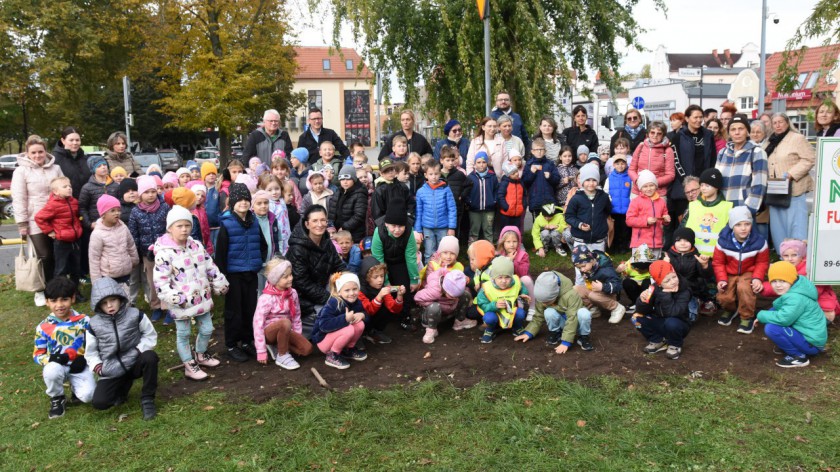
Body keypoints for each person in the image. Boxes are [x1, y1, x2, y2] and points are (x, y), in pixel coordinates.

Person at [153, 205, 228, 380]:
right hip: (182, 301)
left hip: (201, 297)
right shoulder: (164, 253)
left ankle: (200, 354)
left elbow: (209, 265)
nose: (184, 229)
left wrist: (219, 281)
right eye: (179, 226)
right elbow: (161, 281)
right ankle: (188, 363)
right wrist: (175, 297)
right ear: (170, 228)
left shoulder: (196, 245)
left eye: (187, 225)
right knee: (184, 333)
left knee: (208, 328)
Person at [86, 277, 159, 421]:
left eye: (113, 300)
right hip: (112, 368)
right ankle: (122, 387)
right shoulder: (93, 325)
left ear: (120, 298)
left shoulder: (135, 315)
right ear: (98, 305)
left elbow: (150, 336)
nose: (109, 305)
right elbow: (91, 352)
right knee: (100, 403)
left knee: (150, 357)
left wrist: (138, 350)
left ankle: (147, 399)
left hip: (135, 361)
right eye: (104, 303)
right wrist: (99, 368)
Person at [215, 183, 265, 362]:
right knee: (234, 311)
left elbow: (262, 245)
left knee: (250, 308)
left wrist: (257, 262)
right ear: (233, 202)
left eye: (246, 199)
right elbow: (220, 253)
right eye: (239, 200)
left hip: (250, 273)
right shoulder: (227, 225)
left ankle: (246, 340)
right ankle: (231, 344)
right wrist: (222, 277)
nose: (243, 203)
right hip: (233, 275)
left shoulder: (254, 222)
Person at [13, 135, 65, 305]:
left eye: (40, 152)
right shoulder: (21, 171)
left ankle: (57, 287)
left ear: (45, 151)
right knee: (43, 255)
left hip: (56, 217)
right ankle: (41, 289)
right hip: (34, 218)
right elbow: (19, 198)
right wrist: (22, 223)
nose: (37, 155)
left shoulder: (55, 168)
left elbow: (64, 188)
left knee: (58, 254)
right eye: (33, 152)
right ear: (27, 153)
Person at [34, 277, 95, 419]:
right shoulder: (43, 327)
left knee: (89, 396)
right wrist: (52, 359)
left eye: (64, 299)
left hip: (79, 366)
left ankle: (76, 390)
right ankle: (57, 398)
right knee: (51, 371)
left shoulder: (84, 321)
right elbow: (37, 354)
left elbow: (94, 345)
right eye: (54, 301)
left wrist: (85, 359)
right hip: (57, 366)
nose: (59, 305)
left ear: (73, 298)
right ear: (47, 302)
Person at [758, 261, 828, 368]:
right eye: (774, 281)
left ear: (791, 280)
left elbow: (783, 319)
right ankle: (790, 345)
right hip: (810, 337)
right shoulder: (797, 290)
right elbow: (779, 309)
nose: (778, 285)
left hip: (812, 343)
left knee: (772, 328)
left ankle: (798, 356)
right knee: (774, 318)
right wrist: (769, 314)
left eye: (783, 281)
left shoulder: (795, 298)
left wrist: (762, 315)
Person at [288, 205, 346, 331]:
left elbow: (339, 266)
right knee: (334, 313)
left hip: (322, 289)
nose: (319, 224)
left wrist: (349, 283)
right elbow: (302, 283)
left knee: (350, 299)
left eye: (323, 220)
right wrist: (329, 298)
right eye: (315, 221)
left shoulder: (327, 242)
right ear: (307, 224)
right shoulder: (297, 248)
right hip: (302, 297)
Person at [713, 206, 770, 334]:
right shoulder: (722, 241)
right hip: (729, 271)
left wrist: (757, 278)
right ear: (732, 225)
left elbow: (762, 262)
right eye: (738, 224)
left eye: (747, 224)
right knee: (724, 295)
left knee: (745, 289)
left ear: (751, 224)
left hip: (748, 271)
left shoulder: (759, 242)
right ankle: (730, 309)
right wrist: (721, 279)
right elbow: (718, 262)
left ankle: (746, 316)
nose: (743, 228)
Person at [765, 113, 815, 254]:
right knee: (778, 228)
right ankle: (783, 258)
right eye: (775, 123)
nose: (778, 125)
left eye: (781, 122)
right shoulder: (770, 141)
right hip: (775, 190)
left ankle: (798, 258)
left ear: (787, 123)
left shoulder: (797, 138)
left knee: (796, 226)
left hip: (794, 190)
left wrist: (792, 174)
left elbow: (810, 159)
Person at [666, 105, 715, 248]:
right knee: (684, 219)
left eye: (701, 117)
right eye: (695, 117)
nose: (699, 120)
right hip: (682, 186)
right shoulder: (677, 137)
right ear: (687, 119)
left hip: (704, 185)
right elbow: (676, 162)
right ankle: (680, 248)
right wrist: (687, 183)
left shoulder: (708, 135)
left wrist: (706, 181)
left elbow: (712, 158)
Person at [253, 257, 313, 370]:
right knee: (285, 323)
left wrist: (297, 336)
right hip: (269, 333)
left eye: (291, 274)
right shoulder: (266, 298)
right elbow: (258, 325)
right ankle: (282, 355)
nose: (290, 278)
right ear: (275, 280)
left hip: (286, 330)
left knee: (307, 349)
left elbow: (296, 316)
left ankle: (279, 346)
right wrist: (261, 351)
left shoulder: (293, 293)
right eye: (286, 277)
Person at [761, 239, 839, 323]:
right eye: (786, 256)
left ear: (802, 255)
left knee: (786, 317)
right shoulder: (786, 268)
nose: (790, 259)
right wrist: (762, 287)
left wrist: (766, 287)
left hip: (822, 309)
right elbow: (779, 284)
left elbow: (807, 292)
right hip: (803, 305)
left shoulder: (809, 269)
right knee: (778, 311)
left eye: (794, 255)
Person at [515, 270, 593, 352]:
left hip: (576, 322)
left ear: (556, 294)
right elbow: (538, 316)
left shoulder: (571, 295)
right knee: (548, 312)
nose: (544, 304)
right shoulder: (542, 295)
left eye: (547, 302)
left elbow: (572, 318)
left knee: (584, 314)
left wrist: (566, 342)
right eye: (542, 302)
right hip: (563, 322)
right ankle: (556, 332)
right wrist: (529, 332)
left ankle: (583, 337)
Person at [128, 175, 171, 323]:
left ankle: (169, 307)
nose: (151, 195)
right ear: (140, 194)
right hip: (148, 253)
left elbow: (169, 228)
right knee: (152, 281)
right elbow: (133, 234)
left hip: (165, 251)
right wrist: (139, 253)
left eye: (153, 191)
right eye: (147, 192)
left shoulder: (164, 207)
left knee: (168, 279)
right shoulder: (136, 212)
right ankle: (156, 307)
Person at [35, 177, 84, 300]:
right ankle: (60, 294)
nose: (69, 188)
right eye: (65, 187)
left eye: (70, 186)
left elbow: (76, 216)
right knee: (61, 269)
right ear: (56, 192)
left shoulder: (74, 202)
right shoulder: (52, 205)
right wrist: (50, 231)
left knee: (76, 268)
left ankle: (74, 292)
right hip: (61, 242)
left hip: (75, 240)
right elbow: (39, 218)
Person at [631, 260, 692, 360]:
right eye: (667, 280)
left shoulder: (684, 290)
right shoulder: (654, 288)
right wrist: (642, 300)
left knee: (671, 322)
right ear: (659, 283)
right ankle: (657, 340)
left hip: (679, 324)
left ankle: (675, 344)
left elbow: (673, 312)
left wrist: (665, 294)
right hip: (660, 320)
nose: (673, 281)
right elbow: (642, 311)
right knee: (636, 317)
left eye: (674, 276)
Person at [310, 272, 368, 370]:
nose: (352, 293)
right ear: (339, 292)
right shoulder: (333, 303)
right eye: (347, 290)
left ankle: (348, 349)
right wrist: (344, 319)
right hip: (323, 340)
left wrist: (363, 315)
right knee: (349, 329)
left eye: (355, 289)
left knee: (360, 324)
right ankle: (333, 355)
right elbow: (323, 325)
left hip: (340, 338)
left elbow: (366, 316)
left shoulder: (356, 302)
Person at [715, 114, 769, 219]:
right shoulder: (723, 153)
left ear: (747, 131)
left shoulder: (757, 152)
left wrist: (748, 210)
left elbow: (759, 185)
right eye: (733, 129)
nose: (737, 132)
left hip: (743, 211)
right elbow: (716, 182)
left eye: (741, 128)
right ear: (729, 132)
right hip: (722, 211)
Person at [476, 256, 530, 343]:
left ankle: (517, 327)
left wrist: (524, 294)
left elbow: (522, 287)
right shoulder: (486, 287)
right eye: (500, 277)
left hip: (511, 311)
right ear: (493, 277)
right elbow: (482, 304)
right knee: (489, 318)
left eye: (507, 277)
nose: (504, 281)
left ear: (511, 277)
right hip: (494, 313)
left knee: (521, 313)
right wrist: (494, 305)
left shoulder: (516, 282)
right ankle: (490, 329)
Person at [372, 197, 420, 293]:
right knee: (385, 291)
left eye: (401, 226)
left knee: (405, 291)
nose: (397, 230)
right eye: (393, 226)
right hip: (384, 262)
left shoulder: (409, 231)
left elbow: (411, 257)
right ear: (386, 224)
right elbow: (378, 258)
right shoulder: (379, 232)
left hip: (400, 261)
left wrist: (414, 279)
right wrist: (385, 281)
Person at [88, 195, 139, 284]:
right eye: (112, 211)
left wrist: (134, 261)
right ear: (103, 214)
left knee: (126, 296)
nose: (117, 213)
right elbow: (94, 259)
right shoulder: (97, 234)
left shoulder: (123, 227)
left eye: (119, 210)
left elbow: (131, 245)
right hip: (108, 276)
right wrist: (96, 282)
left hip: (125, 272)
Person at [663, 227, 710, 322]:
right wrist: (665, 265)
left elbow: (706, 276)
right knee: (665, 314)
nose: (682, 243)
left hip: (690, 291)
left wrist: (704, 265)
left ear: (692, 242)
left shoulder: (697, 256)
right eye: (679, 240)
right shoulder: (666, 256)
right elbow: (659, 277)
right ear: (674, 241)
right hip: (671, 290)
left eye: (686, 240)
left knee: (690, 318)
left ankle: (698, 302)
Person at [682, 168, 732, 257]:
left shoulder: (727, 207)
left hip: (717, 259)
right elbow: (682, 229)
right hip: (692, 257)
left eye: (707, 185)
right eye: (701, 185)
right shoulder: (693, 206)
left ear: (716, 187)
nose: (703, 188)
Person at [414, 160, 457, 262]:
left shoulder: (446, 189)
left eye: (436, 174)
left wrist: (451, 227)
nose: (434, 177)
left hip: (443, 227)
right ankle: (430, 275)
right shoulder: (421, 192)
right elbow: (419, 212)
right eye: (431, 174)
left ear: (440, 173)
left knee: (444, 252)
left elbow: (452, 209)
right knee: (429, 252)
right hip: (427, 228)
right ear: (425, 175)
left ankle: (443, 274)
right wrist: (418, 230)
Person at [571, 246, 625, 323]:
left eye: (583, 266)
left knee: (592, 295)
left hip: (610, 293)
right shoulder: (588, 268)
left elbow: (618, 285)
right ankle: (593, 309)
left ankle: (617, 308)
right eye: (579, 268)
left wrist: (603, 287)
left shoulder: (605, 270)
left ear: (591, 260)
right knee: (575, 289)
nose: (582, 269)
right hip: (596, 291)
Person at [564, 163, 611, 251]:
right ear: (582, 181)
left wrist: (600, 224)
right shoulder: (576, 198)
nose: (591, 183)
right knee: (581, 263)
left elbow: (607, 211)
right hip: (580, 239)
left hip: (598, 240)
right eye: (588, 180)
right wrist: (579, 225)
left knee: (598, 263)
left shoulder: (604, 197)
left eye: (594, 180)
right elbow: (569, 216)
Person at [358, 256, 404, 344]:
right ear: (366, 277)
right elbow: (368, 311)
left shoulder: (383, 289)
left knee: (386, 308)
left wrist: (399, 296)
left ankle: (375, 331)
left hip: (373, 319)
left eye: (382, 276)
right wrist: (379, 297)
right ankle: (360, 336)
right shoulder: (359, 291)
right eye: (375, 277)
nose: (380, 280)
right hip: (361, 320)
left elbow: (394, 309)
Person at [626, 170, 670, 258]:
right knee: (640, 269)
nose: (649, 188)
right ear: (640, 188)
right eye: (645, 186)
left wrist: (666, 219)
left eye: (651, 185)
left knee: (654, 268)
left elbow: (664, 217)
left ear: (656, 186)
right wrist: (646, 221)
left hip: (657, 242)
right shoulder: (636, 202)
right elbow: (629, 220)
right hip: (640, 243)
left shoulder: (661, 202)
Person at [629, 122, 675, 198]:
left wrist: (653, 183)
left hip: (658, 193)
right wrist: (638, 181)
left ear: (663, 135)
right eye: (652, 132)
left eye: (659, 133)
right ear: (648, 134)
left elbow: (670, 175)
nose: (655, 135)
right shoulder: (641, 146)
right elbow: (631, 169)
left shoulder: (667, 150)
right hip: (638, 192)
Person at [328, 164, 369, 243]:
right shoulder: (338, 191)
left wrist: (344, 228)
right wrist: (331, 226)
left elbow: (359, 215)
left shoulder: (360, 193)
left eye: (348, 179)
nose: (345, 182)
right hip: (338, 232)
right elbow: (332, 211)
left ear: (354, 179)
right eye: (342, 179)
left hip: (354, 235)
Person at [79, 154, 118, 234]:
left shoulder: (115, 185)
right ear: (93, 169)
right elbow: (82, 208)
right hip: (97, 226)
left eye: (104, 165)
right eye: (99, 166)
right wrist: (89, 224)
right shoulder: (87, 187)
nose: (103, 167)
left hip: (114, 225)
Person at [497, 226, 535, 308]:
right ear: (503, 242)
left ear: (519, 242)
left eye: (514, 241)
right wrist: (507, 260)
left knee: (526, 279)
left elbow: (523, 272)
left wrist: (512, 262)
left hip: (520, 282)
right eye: (508, 242)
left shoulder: (523, 255)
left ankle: (532, 307)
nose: (512, 245)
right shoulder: (499, 255)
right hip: (505, 282)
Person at [522, 138, 560, 220]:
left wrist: (550, 177)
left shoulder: (550, 164)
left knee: (550, 224)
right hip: (535, 200)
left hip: (549, 200)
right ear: (532, 151)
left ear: (545, 151)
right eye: (536, 150)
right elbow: (525, 182)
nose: (539, 152)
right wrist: (531, 173)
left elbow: (557, 180)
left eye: (541, 149)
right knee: (537, 225)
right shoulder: (529, 164)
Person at [465, 152, 498, 243]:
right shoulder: (471, 177)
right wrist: (470, 201)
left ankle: (489, 252)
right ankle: (471, 252)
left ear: (487, 163)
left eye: (484, 162)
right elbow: (466, 192)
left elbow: (497, 190)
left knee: (488, 231)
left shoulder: (492, 176)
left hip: (489, 209)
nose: (481, 165)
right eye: (478, 162)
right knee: (474, 232)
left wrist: (494, 200)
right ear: (475, 164)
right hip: (474, 209)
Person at [52, 127, 89, 199]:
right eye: (71, 140)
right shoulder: (54, 160)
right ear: (63, 140)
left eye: (77, 140)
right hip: (65, 202)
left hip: (86, 202)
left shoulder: (86, 159)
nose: (75, 143)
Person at [604, 154, 631, 253]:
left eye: (622, 163)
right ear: (614, 165)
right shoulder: (610, 178)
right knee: (614, 229)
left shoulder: (629, 177)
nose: (620, 166)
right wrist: (609, 203)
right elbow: (606, 192)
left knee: (625, 230)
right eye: (618, 163)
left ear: (626, 164)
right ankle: (614, 248)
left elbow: (631, 193)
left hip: (626, 209)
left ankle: (624, 248)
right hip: (614, 209)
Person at [616, 244, 655, 312]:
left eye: (644, 269)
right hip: (634, 284)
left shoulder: (654, 265)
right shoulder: (628, 265)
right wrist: (618, 271)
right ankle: (635, 302)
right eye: (637, 268)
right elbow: (619, 278)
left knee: (648, 282)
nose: (640, 271)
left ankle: (648, 303)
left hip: (647, 285)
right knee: (626, 282)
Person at [497, 159, 526, 231]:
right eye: (513, 173)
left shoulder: (520, 183)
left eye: (516, 171)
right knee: (505, 231)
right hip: (506, 214)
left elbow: (524, 195)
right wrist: (505, 207)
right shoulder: (505, 183)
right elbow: (500, 196)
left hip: (518, 213)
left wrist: (524, 205)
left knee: (516, 231)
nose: (516, 174)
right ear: (508, 175)